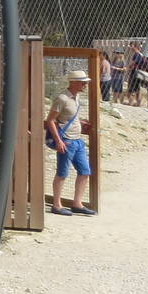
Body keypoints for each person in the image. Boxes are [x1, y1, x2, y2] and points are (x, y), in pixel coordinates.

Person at [46, 69, 96, 216]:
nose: (85, 85)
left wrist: (79, 122)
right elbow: (51, 120)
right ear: (74, 82)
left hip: (77, 140)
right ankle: (56, 204)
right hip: (66, 141)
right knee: (62, 173)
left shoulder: (76, 98)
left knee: (85, 171)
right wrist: (59, 141)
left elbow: (66, 117)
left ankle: (77, 203)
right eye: (82, 83)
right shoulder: (62, 99)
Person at [125, 41, 146, 106]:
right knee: (137, 89)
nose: (130, 48)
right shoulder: (141, 55)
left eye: (132, 46)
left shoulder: (136, 54)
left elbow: (133, 63)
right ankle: (138, 103)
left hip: (134, 73)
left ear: (135, 46)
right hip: (139, 74)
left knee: (131, 89)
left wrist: (127, 68)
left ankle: (131, 103)